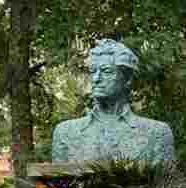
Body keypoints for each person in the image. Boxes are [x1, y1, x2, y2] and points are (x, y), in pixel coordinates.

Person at [49, 38, 175, 166]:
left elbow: (167, 185)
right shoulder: (65, 133)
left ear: (127, 80)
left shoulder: (156, 133)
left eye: (106, 71)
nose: (96, 79)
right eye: (93, 71)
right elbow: (57, 184)